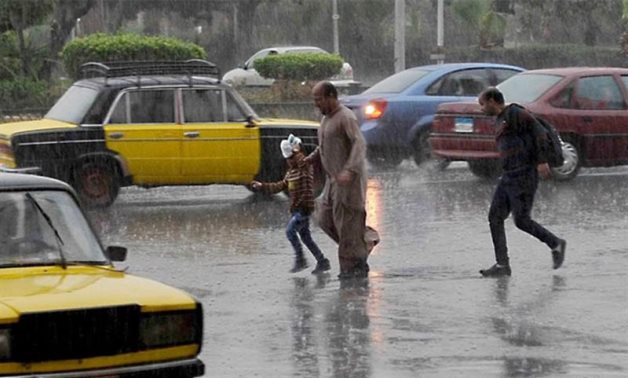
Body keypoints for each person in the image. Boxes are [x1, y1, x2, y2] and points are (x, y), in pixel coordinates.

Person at [478, 87, 566, 277]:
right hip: (508, 175)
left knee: (522, 221)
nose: (481, 109)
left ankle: (556, 244)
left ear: (493, 101)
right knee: (495, 217)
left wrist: (542, 161)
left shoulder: (515, 113)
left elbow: (540, 132)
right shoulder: (501, 119)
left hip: (524, 174)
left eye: (482, 104)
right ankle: (502, 265)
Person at [308, 81, 379, 279]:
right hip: (332, 180)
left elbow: (359, 144)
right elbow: (325, 144)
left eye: (319, 99)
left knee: (346, 223)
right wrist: (312, 157)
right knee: (324, 218)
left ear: (331, 96)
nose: (316, 104)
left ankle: (351, 270)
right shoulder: (326, 119)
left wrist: (349, 169)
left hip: (349, 181)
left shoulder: (345, 117)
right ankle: (364, 242)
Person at [251, 134, 331, 274]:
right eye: (287, 158)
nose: (288, 161)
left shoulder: (304, 166)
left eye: (289, 157)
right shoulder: (291, 173)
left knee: (290, 232)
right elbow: (279, 186)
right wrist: (262, 186)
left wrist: (297, 149)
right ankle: (322, 261)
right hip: (296, 209)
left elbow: (306, 158)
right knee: (306, 238)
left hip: (303, 209)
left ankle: (301, 260)